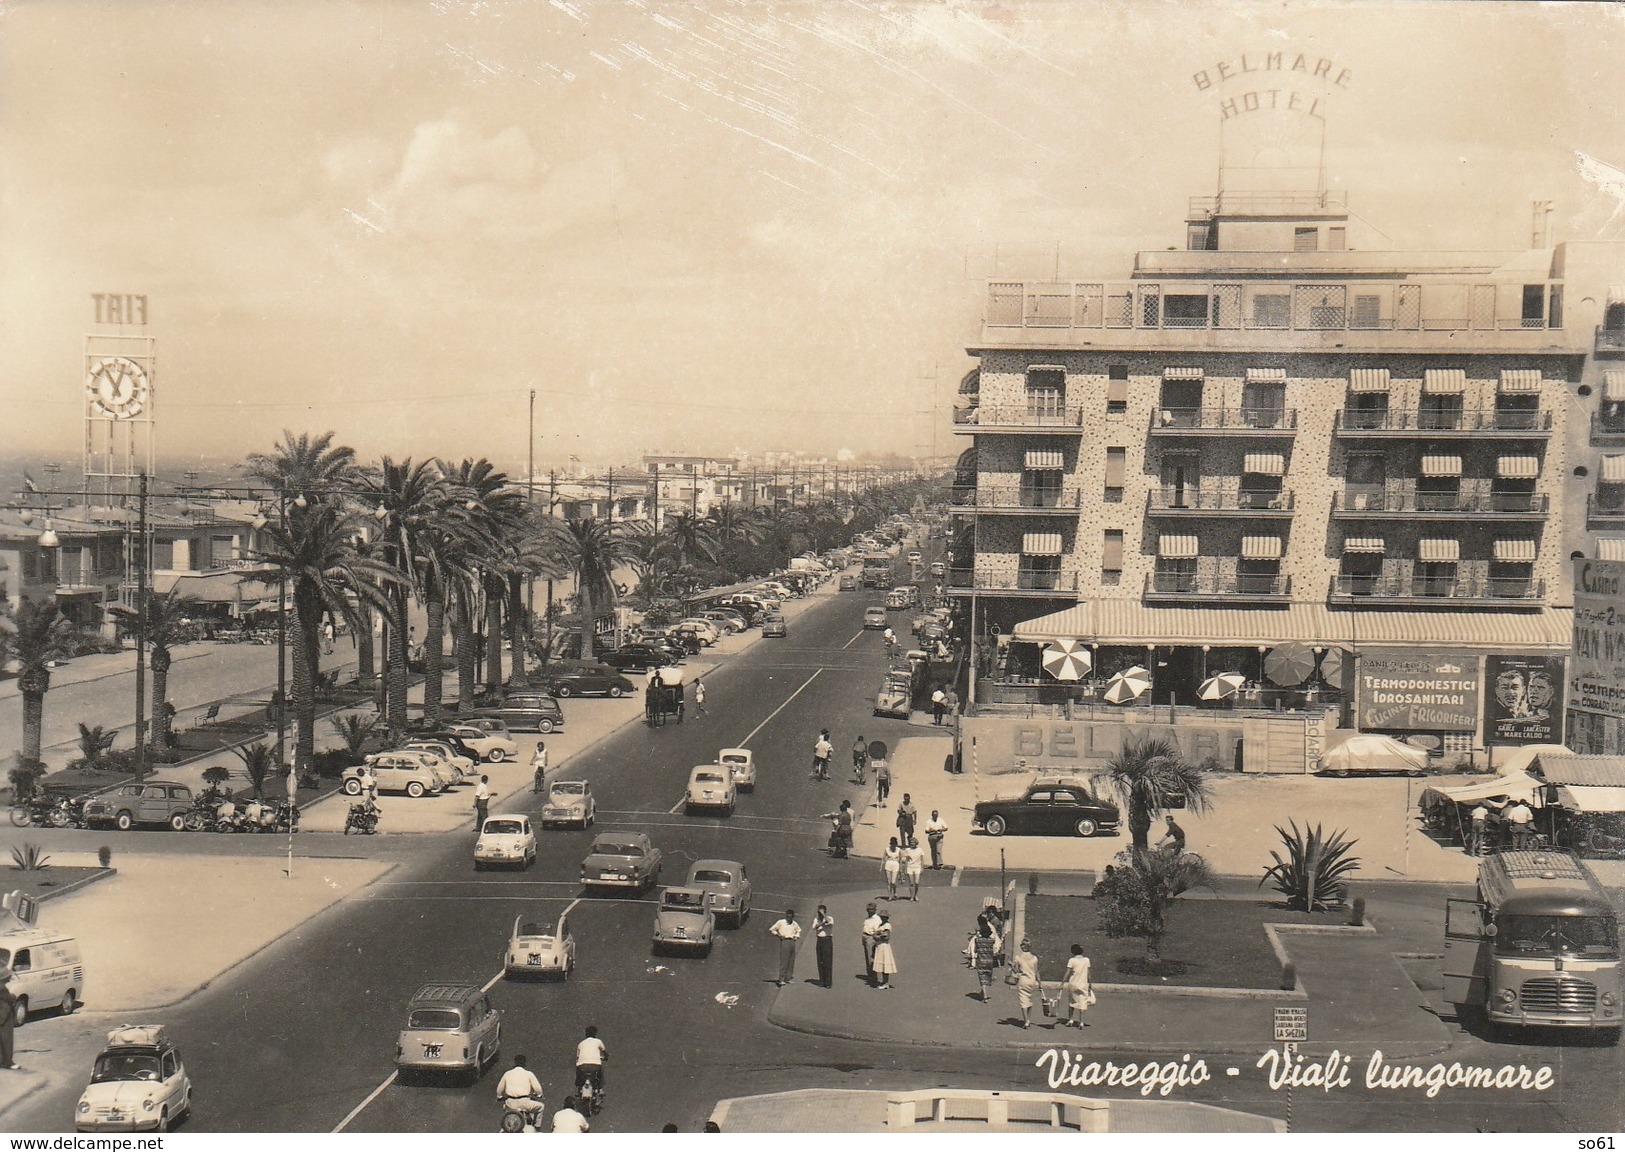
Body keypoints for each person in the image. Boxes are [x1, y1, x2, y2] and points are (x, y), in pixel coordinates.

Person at [495, 1054, 545, 1124]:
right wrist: (539, 1094)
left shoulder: (507, 1073)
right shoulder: (529, 1074)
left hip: (510, 1104)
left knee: (505, 1108)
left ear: (514, 1062)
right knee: (541, 1107)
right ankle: (537, 1126)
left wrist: (499, 1096)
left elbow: (499, 1089)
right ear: (525, 1063)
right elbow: (538, 1089)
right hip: (525, 1103)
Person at [1011, 938, 1042, 1028]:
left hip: (1023, 980)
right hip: (1032, 980)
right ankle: (1028, 1018)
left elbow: (1016, 971)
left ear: (1022, 947)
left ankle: (1026, 1021)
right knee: (1029, 999)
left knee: (1023, 1000)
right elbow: (1037, 972)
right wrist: (1039, 983)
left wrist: (1012, 965)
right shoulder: (1034, 958)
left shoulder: (1018, 958)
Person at [1063, 944, 1094, 1028]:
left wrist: (1062, 982)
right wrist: (1090, 983)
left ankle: (1070, 1019)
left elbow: (1068, 972)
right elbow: (1088, 973)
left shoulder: (1072, 960)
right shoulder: (1086, 960)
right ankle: (1081, 1022)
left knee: (1072, 1002)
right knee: (1082, 1002)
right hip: (1083, 984)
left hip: (1073, 983)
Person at [769, 909, 801, 986]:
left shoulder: (794, 924)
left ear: (793, 917)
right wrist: (779, 935)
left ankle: (788, 978)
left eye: (790, 917)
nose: (789, 918)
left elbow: (799, 930)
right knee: (784, 960)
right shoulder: (781, 922)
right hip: (785, 941)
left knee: (791, 960)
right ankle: (781, 979)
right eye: (787, 917)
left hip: (792, 941)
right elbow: (772, 929)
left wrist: (796, 936)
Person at [968, 921, 998, 1003]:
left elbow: (975, 950)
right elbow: (994, 942)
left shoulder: (978, 940)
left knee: (982, 977)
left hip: (981, 960)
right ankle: (982, 992)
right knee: (987, 976)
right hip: (989, 961)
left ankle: (984, 995)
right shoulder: (991, 940)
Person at [574, 1026, 607, 1097]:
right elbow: (605, 1053)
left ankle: (579, 1088)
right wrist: (605, 1057)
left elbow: (577, 1057)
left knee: (579, 1076)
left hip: (581, 1066)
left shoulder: (581, 1044)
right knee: (600, 1075)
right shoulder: (598, 1041)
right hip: (595, 1066)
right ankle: (600, 1089)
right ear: (595, 1034)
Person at [872, 913, 897, 990]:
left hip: (884, 946)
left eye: (884, 917)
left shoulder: (887, 925)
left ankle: (886, 983)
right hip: (879, 946)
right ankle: (884, 981)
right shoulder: (881, 925)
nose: (883, 918)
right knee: (882, 964)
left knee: (885, 964)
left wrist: (877, 936)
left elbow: (886, 937)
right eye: (882, 917)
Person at [813, 905, 835, 988]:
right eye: (819, 912)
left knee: (827, 961)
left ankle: (828, 982)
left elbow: (829, 922)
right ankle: (822, 981)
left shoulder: (830, 918)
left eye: (821, 912)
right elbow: (814, 927)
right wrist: (822, 923)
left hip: (827, 940)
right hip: (819, 940)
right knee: (820, 961)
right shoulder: (816, 919)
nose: (820, 914)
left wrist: (824, 916)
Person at [861, 902, 882, 985]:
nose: (870, 911)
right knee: (867, 957)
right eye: (869, 909)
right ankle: (870, 976)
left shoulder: (877, 919)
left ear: (875, 910)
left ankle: (873, 977)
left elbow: (878, 931)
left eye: (872, 909)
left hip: (871, 938)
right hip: (865, 936)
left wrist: (873, 938)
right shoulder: (867, 918)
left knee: (871, 958)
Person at [0, 968, 16, 1069]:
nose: (10, 977)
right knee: (7, 1039)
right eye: (9, 976)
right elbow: (9, 999)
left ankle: (2, 1061)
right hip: (4, 1015)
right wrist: (13, 996)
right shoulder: (2, 988)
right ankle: (8, 1062)